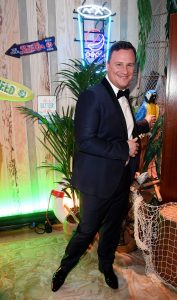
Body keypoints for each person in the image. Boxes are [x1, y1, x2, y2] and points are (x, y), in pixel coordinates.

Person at [51, 41, 151, 292]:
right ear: (108, 65)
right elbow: (85, 141)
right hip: (97, 182)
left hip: (121, 177)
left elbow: (120, 129)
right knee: (86, 230)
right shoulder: (91, 96)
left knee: (112, 227)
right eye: (119, 64)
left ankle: (105, 266)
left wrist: (144, 125)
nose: (125, 70)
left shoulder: (124, 95)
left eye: (130, 65)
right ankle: (64, 268)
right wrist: (123, 149)